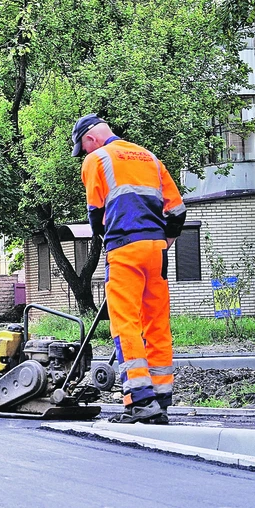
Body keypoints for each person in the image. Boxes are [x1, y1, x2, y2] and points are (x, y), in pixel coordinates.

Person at [71, 114, 186, 424]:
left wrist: (110, 238)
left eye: (82, 148)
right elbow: (176, 211)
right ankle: (161, 401)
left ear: (90, 140)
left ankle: (139, 400)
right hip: (157, 250)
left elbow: (96, 215)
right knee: (157, 323)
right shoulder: (148, 156)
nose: (83, 154)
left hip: (124, 249)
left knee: (126, 324)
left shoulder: (96, 159)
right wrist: (164, 241)